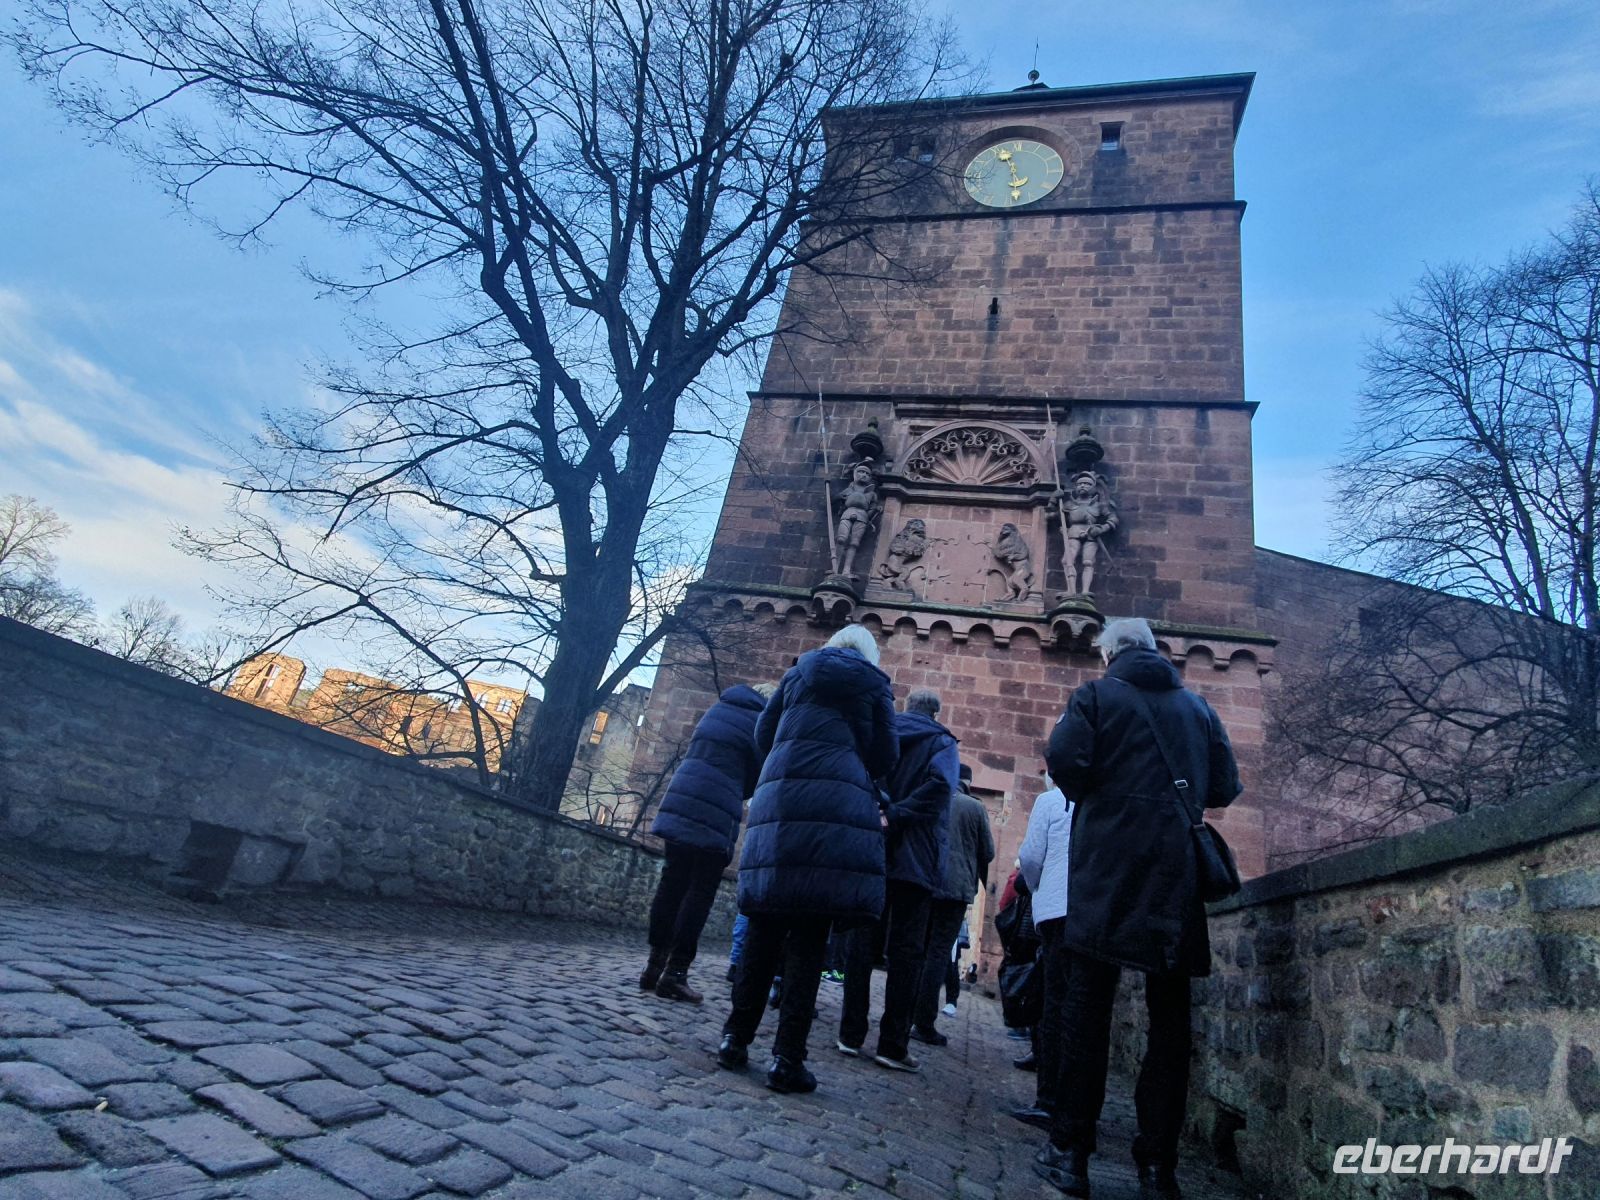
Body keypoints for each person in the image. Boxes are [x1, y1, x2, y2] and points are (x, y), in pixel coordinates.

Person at [1035, 617, 1241, 1200]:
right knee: (1170, 1022)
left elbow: (1063, 762)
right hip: (1174, 870)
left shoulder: (1096, 695)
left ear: (1109, 656)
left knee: (1086, 1009)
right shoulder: (1198, 709)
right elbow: (1223, 787)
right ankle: (1158, 1168)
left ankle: (1071, 1153)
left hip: (1107, 866)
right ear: (1156, 652)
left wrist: (1105, 795)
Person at [718, 624, 897, 1094]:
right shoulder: (874, 686)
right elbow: (884, 756)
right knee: (809, 941)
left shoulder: (797, 675)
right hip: (834, 814)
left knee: (763, 926)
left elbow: (764, 733)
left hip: (781, 806)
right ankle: (786, 1060)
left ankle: (734, 1039)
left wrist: (787, 762)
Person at [837, 688, 957, 1073]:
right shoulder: (941, 742)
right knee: (907, 952)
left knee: (862, 940)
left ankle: (850, 1034)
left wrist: (881, 811)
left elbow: (862, 775)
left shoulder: (882, 734)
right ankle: (892, 1043)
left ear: (906, 708)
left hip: (873, 847)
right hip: (916, 858)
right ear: (936, 712)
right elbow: (940, 786)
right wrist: (900, 813)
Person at [641, 682, 775, 1003]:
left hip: (682, 796)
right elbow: (755, 778)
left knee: (672, 880)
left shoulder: (717, 710)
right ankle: (675, 974)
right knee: (700, 891)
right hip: (716, 808)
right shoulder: (759, 723)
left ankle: (653, 964)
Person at [910, 763, 993, 1045]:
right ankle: (924, 1022)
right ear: (969, 783)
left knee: (918, 949)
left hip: (927, 881)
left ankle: (906, 1014)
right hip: (956, 890)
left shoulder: (936, 799)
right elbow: (989, 852)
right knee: (939, 954)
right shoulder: (976, 808)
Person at [1010, 768, 1074, 1130]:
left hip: (1055, 910)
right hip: (1096, 912)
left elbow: (1031, 859)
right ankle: (1077, 1107)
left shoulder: (1050, 801)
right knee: (1086, 1013)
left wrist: (1037, 889)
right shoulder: (1103, 801)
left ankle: (1049, 1100)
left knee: (1054, 1005)